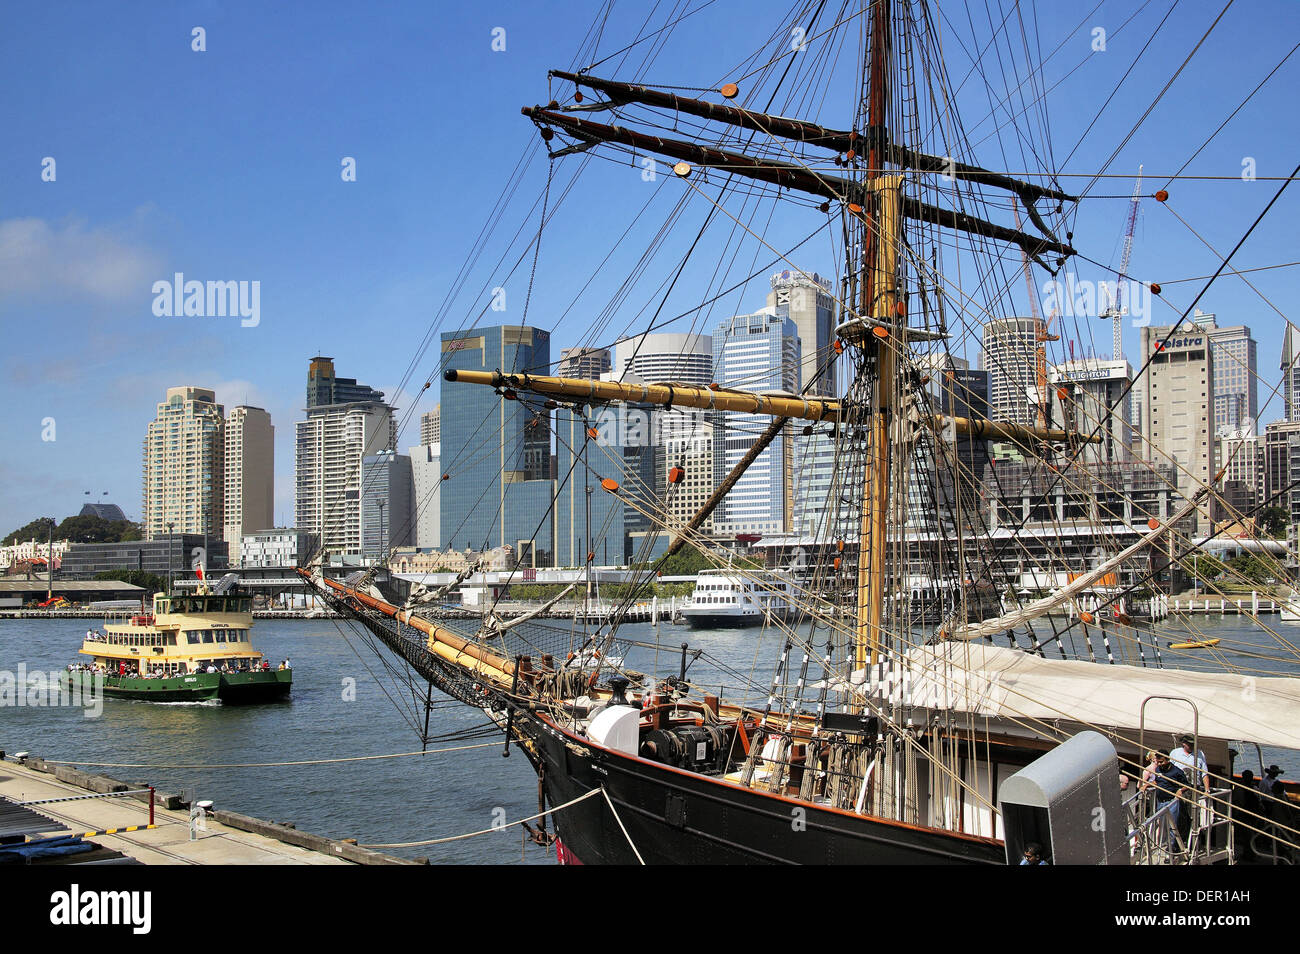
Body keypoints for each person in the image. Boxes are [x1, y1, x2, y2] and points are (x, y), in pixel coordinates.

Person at [1152, 753, 1190, 848]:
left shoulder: (1177, 772)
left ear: (1168, 760)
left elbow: (1187, 785)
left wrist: (1180, 790)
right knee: (1162, 825)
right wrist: (1146, 785)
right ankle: (1163, 844)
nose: (1159, 764)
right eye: (1158, 762)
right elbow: (1157, 781)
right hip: (1160, 801)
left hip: (1172, 801)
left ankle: (1172, 847)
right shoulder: (1157, 769)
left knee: (1172, 825)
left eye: (1161, 762)